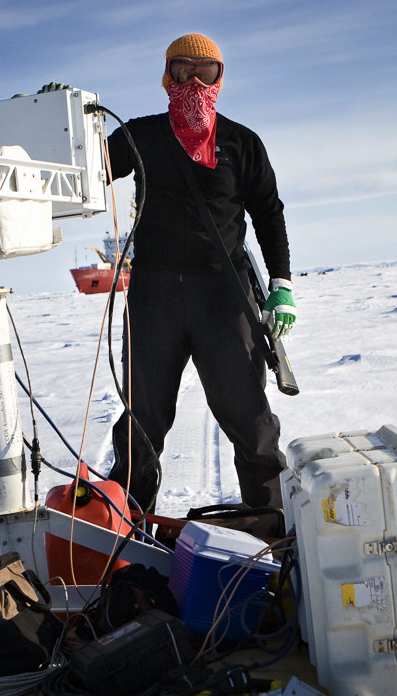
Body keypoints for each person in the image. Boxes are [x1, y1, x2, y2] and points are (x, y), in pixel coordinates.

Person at [104, 33, 297, 514]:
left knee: (251, 423)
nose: (193, 80)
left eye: (205, 71)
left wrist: (282, 285)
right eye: (182, 69)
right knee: (141, 426)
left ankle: (270, 527)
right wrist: (63, 126)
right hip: (154, 296)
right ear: (166, 75)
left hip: (224, 296)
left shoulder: (241, 142)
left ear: (220, 78)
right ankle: (125, 530)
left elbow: (268, 214)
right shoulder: (140, 135)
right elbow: (90, 169)